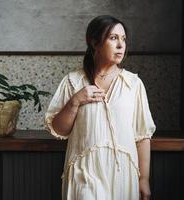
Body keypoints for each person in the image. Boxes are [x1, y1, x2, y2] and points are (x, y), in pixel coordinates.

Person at [45, 15, 156, 200]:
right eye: (113, 38)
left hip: (123, 174)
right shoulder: (73, 82)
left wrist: (144, 179)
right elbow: (58, 129)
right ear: (94, 43)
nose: (121, 45)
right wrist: (75, 101)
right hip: (84, 171)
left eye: (123, 39)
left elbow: (142, 136)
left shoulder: (133, 84)